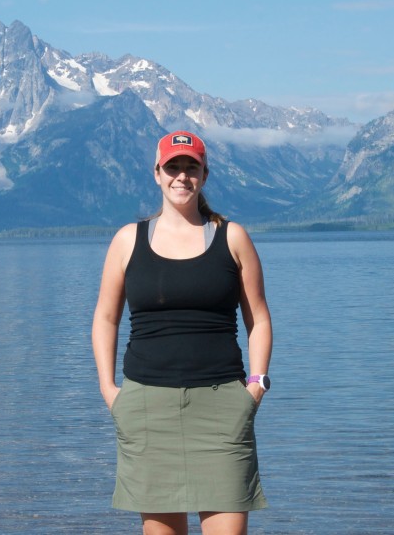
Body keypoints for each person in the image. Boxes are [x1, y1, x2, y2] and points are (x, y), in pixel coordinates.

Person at [92, 130, 273, 535]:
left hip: (223, 407)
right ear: (156, 173)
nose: (181, 176)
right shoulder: (127, 240)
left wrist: (257, 384)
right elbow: (106, 318)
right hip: (146, 407)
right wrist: (108, 389)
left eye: (191, 167)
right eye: (172, 166)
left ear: (204, 175)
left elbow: (258, 318)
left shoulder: (232, 237)